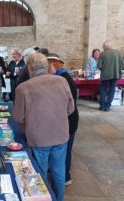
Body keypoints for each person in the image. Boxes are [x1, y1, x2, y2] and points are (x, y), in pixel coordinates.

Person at [13, 53, 74, 201]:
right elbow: (70, 109)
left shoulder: (23, 88)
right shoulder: (62, 81)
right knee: (59, 173)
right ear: (47, 66)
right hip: (60, 135)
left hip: (39, 138)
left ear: (29, 67)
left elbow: (18, 117)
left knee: (40, 174)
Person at [47, 53, 79, 186]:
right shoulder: (61, 76)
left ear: (53, 65)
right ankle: (58, 172)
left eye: (47, 66)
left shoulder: (62, 78)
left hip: (69, 120)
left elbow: (68, 104)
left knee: (65, 150)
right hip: (66, 119)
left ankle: (66, 176)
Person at [97, 40, 124, 111]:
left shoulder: (102, 54)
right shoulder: (118, 52)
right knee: (112, 90)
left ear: (104, 46)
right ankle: (108, 106)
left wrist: (104, 69)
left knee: (102, 89)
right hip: (115, 74)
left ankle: (102, 106)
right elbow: (123, 64)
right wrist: (117, 69)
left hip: (105, 75)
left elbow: (99, 66)